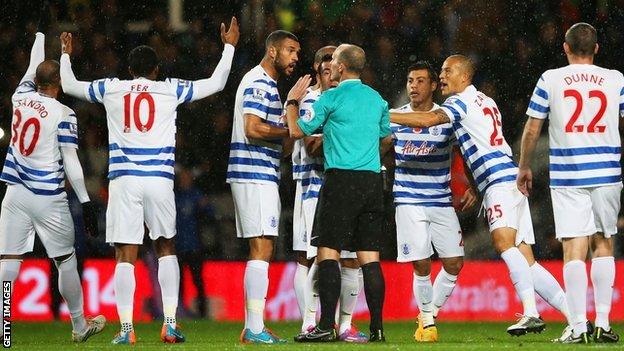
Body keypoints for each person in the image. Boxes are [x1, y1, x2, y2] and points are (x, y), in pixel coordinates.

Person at [58, 18, 239, 344]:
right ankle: (170, 323)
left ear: (130, 70)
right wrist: (229, 47)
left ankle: (127, 330)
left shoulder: (112, 87)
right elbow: (217, 82)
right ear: (156, 70)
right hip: (158, 179)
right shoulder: (171, 88)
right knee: (166, 248)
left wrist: (65, 54)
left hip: (125, 180)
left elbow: (69, 85)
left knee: (125, 254)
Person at [390, 55, 570, 338]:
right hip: (508, 179)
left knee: (502, 244)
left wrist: (384, 114)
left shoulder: (457, 102)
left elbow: (429, 120)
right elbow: (477, 143)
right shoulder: (486, 101)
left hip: (499, 182)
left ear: (464, 77)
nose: (443, 76)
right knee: (528, 261)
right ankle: (576, 319)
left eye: (448, 71)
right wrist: (473, 185)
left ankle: (531, 313)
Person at [0, 17, 105, 343]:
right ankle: (79, 326)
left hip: (15, 193)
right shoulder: (63, 114)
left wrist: (40, 33)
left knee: (9, 261)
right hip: (48, 197)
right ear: (59, 83)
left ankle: (2, 329)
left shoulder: (19, 97)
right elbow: (71, 161)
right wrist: (86, 202)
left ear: (36, 82)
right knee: (65, 261)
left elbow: (33, 66)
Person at [518, 22, 622, 344]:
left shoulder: (550, 79)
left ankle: (578, 326)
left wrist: (524, 166)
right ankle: (603, 323)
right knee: (603, 243)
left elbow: (533, 129)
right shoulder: (616, 78)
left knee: (573, 248)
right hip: (607, 172)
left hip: (570, 175)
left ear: (565, 48)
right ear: (596, 49)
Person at [286, 44, 389, 342]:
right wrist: (365, 152)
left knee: (328, 253)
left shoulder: (331, 98)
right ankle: (377, 329)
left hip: (340, 181)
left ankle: (325, 326)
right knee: (369, 258)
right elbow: (387, 138)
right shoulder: (377, 99)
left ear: (340, 68)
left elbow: (298, 132)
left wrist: (292, 102)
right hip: (371, 182)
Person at [381, 61, 476, 342]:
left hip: (441, 200)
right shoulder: (396, 116)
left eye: (421, 81)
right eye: (411, 81)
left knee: (455, 263)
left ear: (434, 86)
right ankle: (428, 324)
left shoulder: (445, 118)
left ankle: (427, 313)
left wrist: (471, 183)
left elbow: (463, 151)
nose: (414, 86)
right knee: (421, 263)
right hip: (408, 200)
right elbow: (380, 147)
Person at [227, 30, 299, 344]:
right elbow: (253, 128)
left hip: (259, 173)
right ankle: (254, 327)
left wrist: (290, 130)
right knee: (262, 247)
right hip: (253, 174)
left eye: (297, 52)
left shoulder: (266, 84)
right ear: (272, 51)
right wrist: (289, 129)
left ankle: (252, 325)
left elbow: (280, 143)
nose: (295, 57)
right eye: (290, 50)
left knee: (262, 247)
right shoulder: (259, 82)